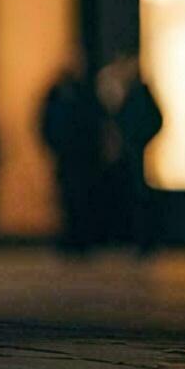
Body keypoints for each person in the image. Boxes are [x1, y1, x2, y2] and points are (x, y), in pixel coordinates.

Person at [41, 59, 106, 252]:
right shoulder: (58, 97)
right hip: (67, 157)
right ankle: (71, 237)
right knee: (67, 199)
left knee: (80, 199)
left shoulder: (82, 97)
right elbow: (46, 125)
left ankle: (80, 239)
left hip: (81, 158)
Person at [113, 57, 163, 255]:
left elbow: (153, 119)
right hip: (133, 151)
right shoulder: (132, 94)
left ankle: (144, 240)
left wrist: (140, 139)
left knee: (141, 196)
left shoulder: (139, 94)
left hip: (139, 152)